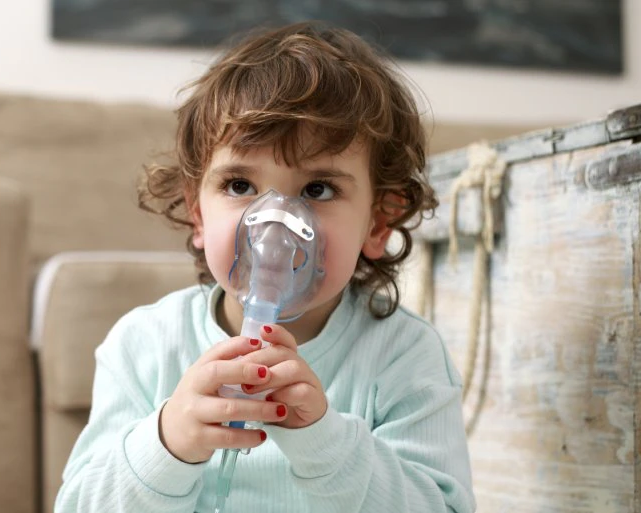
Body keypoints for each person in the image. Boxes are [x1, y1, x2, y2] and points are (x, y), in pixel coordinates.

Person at [55, 21, 475, 513]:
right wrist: (166, 443)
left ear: (378, 222)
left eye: (317, 190)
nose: (274, 223)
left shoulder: (405, 358)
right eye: (239, 186)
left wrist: (327, 444)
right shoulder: (144, 347)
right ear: (197, 212)